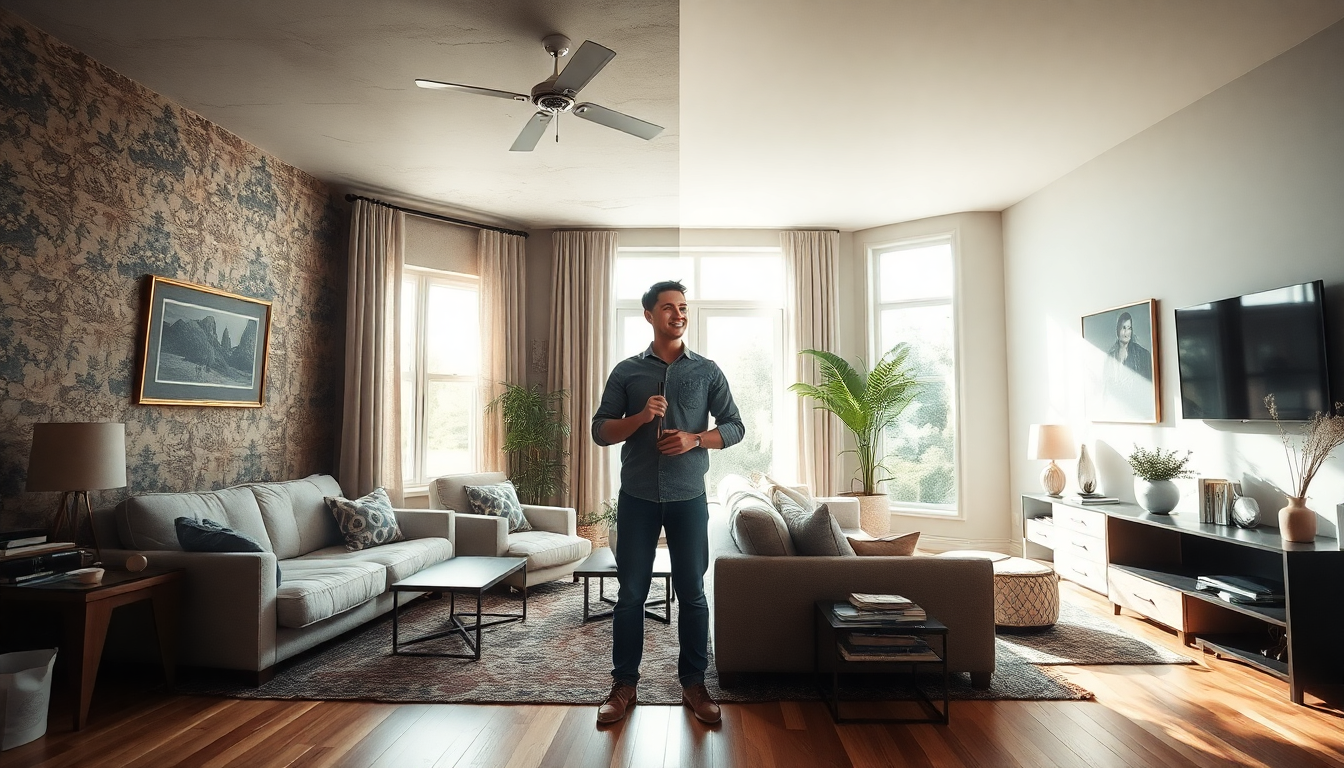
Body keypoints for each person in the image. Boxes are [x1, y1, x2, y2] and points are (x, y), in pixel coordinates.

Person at [590, 280, 745, 725]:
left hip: (688, 499)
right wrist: (639, 418)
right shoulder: (626, 372)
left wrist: (696, 438)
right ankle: (624, 686)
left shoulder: (708, 371)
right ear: (649, 315)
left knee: (694, 595)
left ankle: (694, 685)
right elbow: (600, 431)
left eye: (683, 308)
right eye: (668, 308)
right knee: (630, 595)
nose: (678, 315)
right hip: (637, 498)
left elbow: (734, 427)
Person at [1102, 311, 1153, 418]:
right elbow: (1107, 386)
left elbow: (1147, 387)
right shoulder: (1111, 356)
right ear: (1118, 330)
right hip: (1117, 410)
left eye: (1129, 328)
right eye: (1123, 328)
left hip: (1136, 410)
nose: (1126, 332)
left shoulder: (1142, 354)